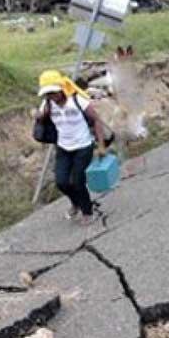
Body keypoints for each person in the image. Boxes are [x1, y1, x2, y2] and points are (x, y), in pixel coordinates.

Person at [36, 70, 106, 226]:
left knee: (77, 181)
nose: (51, 97)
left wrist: (101, 145)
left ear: (61, 88)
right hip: (63, 147)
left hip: (83, 145)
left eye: (53, 93)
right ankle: (76, 203)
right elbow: (39, 117)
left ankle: (87, 211)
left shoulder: (77, 99)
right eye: (47, 94)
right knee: (61, 182)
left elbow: (96, 120)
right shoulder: (47, 104)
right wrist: (40, 115)